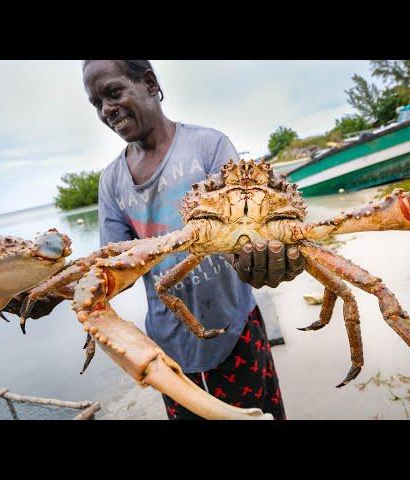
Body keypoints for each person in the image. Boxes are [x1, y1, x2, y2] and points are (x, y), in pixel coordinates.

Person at [81, 60, 305, 420]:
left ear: (150, 83)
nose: (106, 109)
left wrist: (268, 260)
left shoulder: (208, 145)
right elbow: (114, 270)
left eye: (113, 92)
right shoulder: (111, 182)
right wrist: (52, 288)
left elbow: (251, 231)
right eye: (96, 103)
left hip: (236, 329)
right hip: (170, 348)